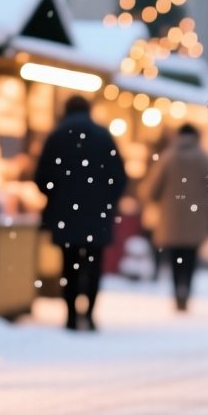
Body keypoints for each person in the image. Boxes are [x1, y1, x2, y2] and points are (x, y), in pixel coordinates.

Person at [36, 95, 128, 331]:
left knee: (69, 265)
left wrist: (56, 196)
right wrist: (106, 201)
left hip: (65, 213)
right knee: (94, 265)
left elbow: (41, 177)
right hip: (97, 214)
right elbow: (119, 177)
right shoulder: (103, 136)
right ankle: (89, 314)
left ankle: (70, 316)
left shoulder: (56, 137)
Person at [139, 124, 208, 312]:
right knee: (190, 257)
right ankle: (186, 291)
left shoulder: (168, 158)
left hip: (171, 220)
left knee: (175, 258)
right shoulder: (205, 159)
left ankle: (177, 293)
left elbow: (150, 190)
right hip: (196, 219)